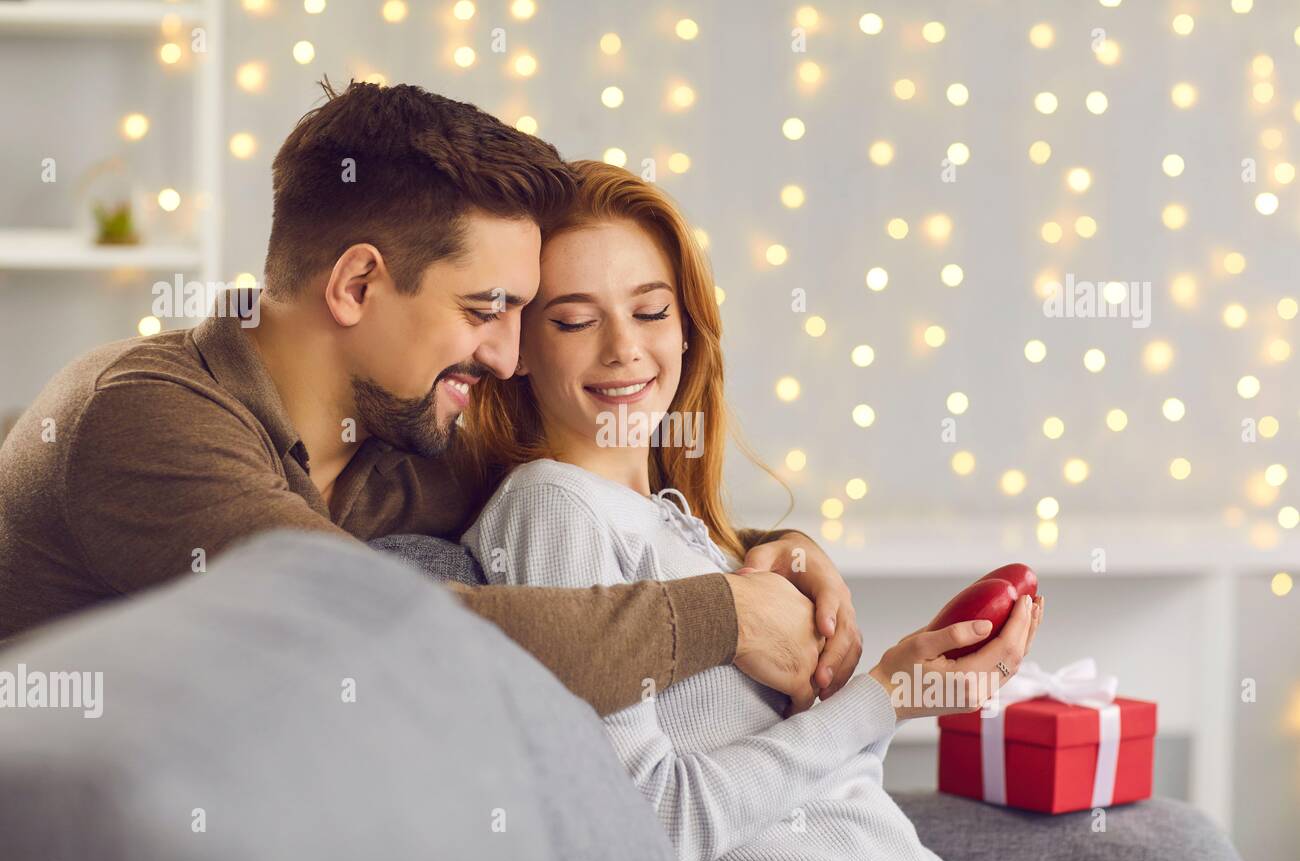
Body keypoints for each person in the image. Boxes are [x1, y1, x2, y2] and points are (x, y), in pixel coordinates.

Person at [0, 81, 861, 718]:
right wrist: (723, 616)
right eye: (487, 310)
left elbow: (601, 504)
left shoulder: (406, 436)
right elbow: (395, 639)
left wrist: (773, 551)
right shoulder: (145, 417)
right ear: (358, 283)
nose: (509, 353)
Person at [458, 161, 1044, 861]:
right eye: (576, 320)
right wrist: (886, 695)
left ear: (685, 330)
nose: (623, 348)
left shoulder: (682, 525)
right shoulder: (554, 506)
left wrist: (896, 694)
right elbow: (648, 828)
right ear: (519, 347)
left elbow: (823, 801)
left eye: (650, 311)